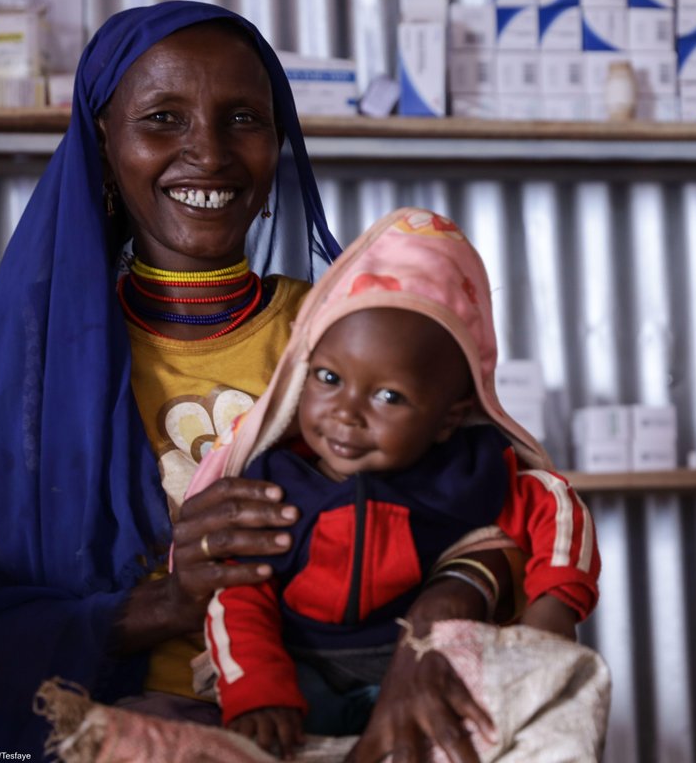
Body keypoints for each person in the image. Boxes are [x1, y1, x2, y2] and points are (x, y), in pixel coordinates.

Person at [0, 2, 536, 761]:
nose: (208, 152)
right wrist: (167, 602)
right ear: (104, 148)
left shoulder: (350, 336)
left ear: (278, 147)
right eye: (163, 118)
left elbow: (503, 519)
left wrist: (428, 640)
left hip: (350, 715)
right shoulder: (41, 375)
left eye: (243, 118)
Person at [186, 207, 601, 757]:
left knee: (535, 723)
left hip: (417, 668)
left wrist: (556, 606)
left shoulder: (465, 472)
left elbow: (556, 509)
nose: (346, 414)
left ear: (449, 417)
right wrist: (259, 692)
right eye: (329, 378)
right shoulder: (275, 483)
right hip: (293, 669)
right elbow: (238, 594)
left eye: (389, 397)